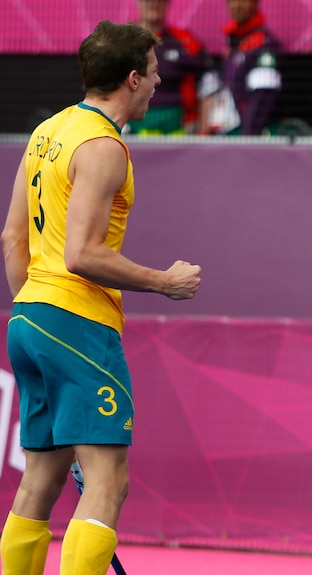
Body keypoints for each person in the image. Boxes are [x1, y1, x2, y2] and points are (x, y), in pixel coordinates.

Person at [0, 20, 202, 575]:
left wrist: (39, 313)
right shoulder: (104, 147)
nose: (160, 83)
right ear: (132, 79)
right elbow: (82, 255)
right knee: (109, 485)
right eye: (156, 73)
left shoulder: (48, 130)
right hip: (77, 321)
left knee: (38, 484)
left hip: (30, 317)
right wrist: (166, 281)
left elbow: (12, 238)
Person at [126, 0, 211, 135]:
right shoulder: (123, 42)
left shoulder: (187, 42)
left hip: (179, 128)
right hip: (133, 127)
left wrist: (204, 130)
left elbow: (208, 88)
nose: (154, 4)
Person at [200, 0, 282, 135]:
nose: (236, 5)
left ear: (255, 3)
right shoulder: (233, 44)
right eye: (232, 1)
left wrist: (246, 139)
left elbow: (262, 99)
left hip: (253, 135)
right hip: (230, 131)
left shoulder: (264, 45)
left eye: (243, 1)